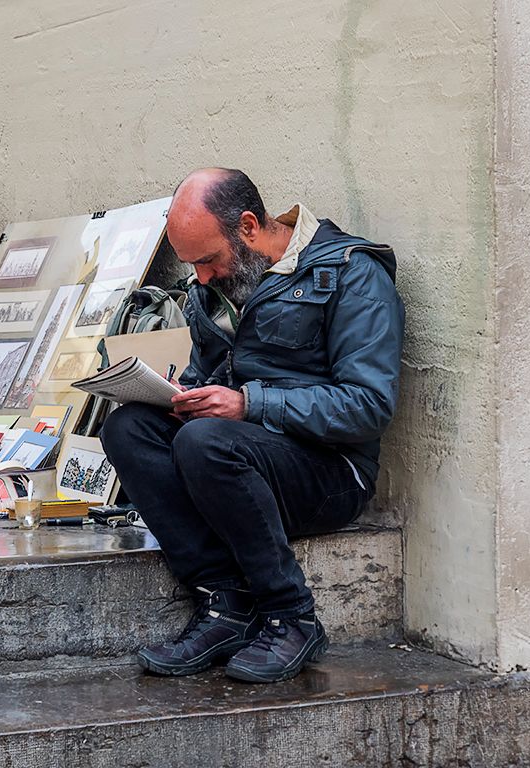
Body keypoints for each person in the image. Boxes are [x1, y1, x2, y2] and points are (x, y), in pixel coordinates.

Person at [100, 168, 405, 683]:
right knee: (128, 428)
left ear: (247, 227)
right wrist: (181, 397)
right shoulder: (216, 288)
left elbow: (368, 405)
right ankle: (227, 604)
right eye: (192, 265)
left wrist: (248, 404)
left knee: (206, 441)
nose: (199, 278)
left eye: (207, 260)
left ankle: (291, 616)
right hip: (236, 457)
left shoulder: (350, 273)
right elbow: (210, 378)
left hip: (331, 472)